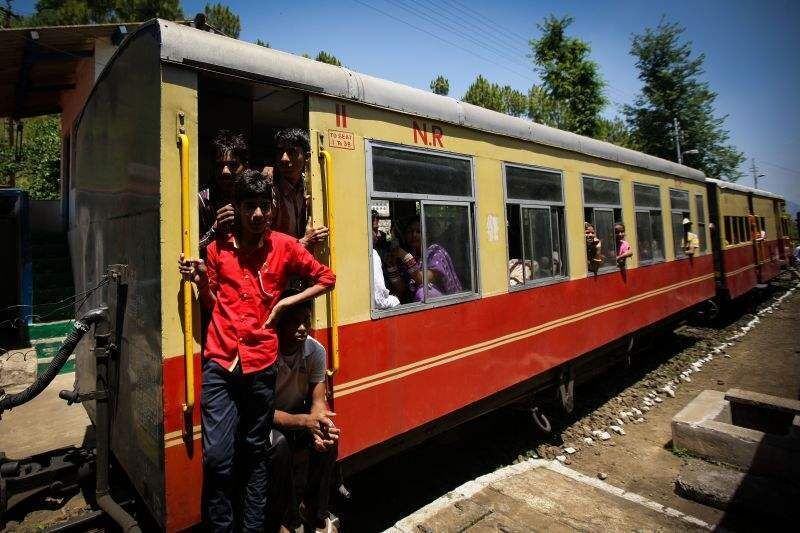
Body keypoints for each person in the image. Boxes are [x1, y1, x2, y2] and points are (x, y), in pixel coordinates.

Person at [178, 169, 336, 532]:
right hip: (220, 363)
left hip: (261, 364)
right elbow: (211, 304)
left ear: (272, 207)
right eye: (250, 206)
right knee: (217, 459)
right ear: (237, 208)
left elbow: (327, 278)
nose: (258, 214)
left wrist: (284, 305)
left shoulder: (285, 245)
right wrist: (202, 279)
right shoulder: (217, 250)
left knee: (255, 455)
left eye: (264, 206)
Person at [267, 292, 340, 533]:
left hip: (298, 415)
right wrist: (305, 422)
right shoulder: (266, 353)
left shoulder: (315, 351)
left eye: (306, 321)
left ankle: (315, 511)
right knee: (278, 446)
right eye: (295, 322)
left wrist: (318, 422)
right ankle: (285, 519)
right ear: (280, 324)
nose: (302, 328)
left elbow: (318, 400)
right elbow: (264, 413)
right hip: (270, 421)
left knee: (328, 436)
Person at [270, 128, 328, 247]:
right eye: (280, 152)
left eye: (291, 152)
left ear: (306, 157)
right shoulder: (269, 188)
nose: (284, 158)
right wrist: (304, 242)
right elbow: (265, 240)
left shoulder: (310, 184)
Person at [386, 216, 462, 302]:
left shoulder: (436, 252)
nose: (413, 235)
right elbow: (402, 288)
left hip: (441, 305)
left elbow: (421, 280)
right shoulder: (409, 255)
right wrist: (391, 266)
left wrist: (405, 256)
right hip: (413, 305)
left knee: (422, 292)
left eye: (418, 231)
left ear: (427, 234)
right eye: (409, 232)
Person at [199, 130, 248, 251]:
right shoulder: (203, 200)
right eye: (219, 165)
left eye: (233, 165)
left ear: (245, 166)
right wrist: (215, 229)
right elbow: (192, 250)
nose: (225, 171)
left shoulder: (253, 195)